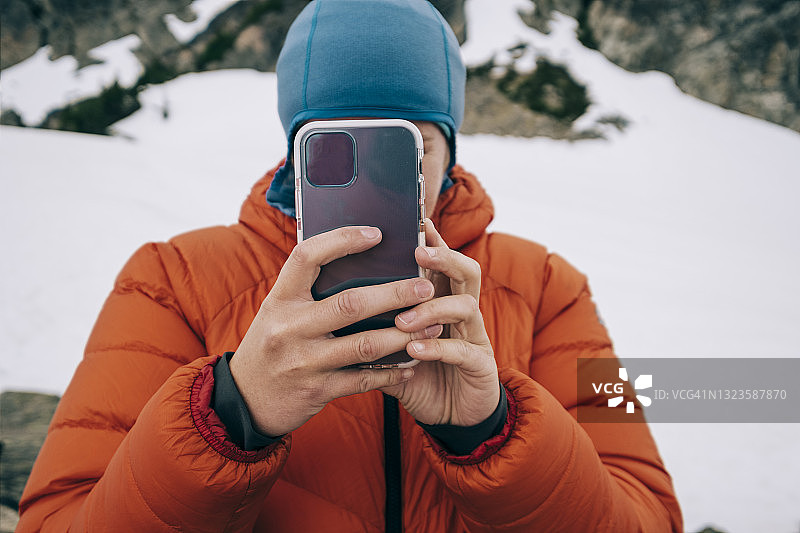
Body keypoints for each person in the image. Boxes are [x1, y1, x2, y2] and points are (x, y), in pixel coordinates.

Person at [18, 0, 682, 531]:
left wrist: (492, 431)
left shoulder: (549, 287)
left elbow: (649, 515)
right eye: (341, 148)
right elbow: (59, 519)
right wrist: (232, 412)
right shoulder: (172, 280)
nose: (375, 187)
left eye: (405, 149)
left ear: (449, 148)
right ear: (295, 152)